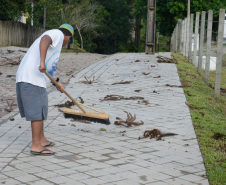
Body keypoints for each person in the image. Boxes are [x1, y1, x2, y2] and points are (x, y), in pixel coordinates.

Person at [16, 24, 74, 155]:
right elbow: (45, 40)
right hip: (31, 78)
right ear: (68, 36)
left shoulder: (55, 45)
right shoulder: (57, 34)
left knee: (41, 108)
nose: (66, 44)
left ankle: (41, 139)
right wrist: (42, 62)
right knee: (36, 111)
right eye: (69, 42)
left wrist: (56, 84)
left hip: (32, 78)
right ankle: (36, 146)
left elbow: (49, 70)